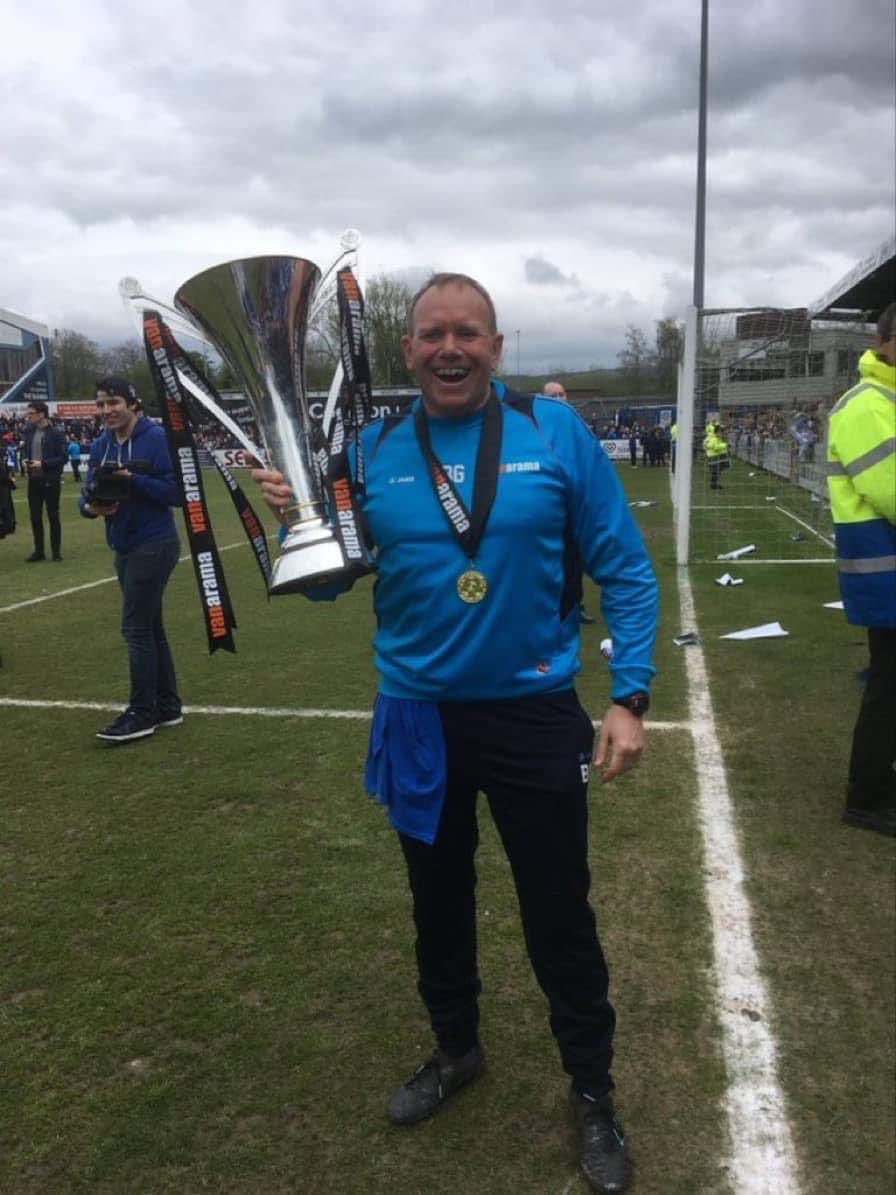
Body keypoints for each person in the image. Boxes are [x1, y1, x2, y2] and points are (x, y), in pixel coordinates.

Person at [254, 274, 658, 1192]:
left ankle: (592, 1088)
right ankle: (456, 1046)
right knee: (436, 901)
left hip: (533, 715)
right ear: (408, 351)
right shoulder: (370, 450)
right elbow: (330, 584)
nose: (450, 348)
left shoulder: (555, 433)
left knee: (558, 910)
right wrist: (300, 522)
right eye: (432, 333)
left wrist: (629, 696)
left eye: (467, 333)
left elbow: (627, 570)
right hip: (418, 715)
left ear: (496, 346)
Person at [79, 377, 184, 744]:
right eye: (101, 404)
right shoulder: (101, 445)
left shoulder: (156, 439)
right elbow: (86, 493)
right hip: (122, 544)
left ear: (132, 404)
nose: (106, 410)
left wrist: (132, 480)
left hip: (154, 543)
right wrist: (92, 506)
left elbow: (178, 492)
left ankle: (142, 712)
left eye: (114, 402)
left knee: (135, 629)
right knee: (150, 627)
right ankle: (167, 706)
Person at [827, 300, 896, 837]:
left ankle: (878, 784)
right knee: (887, 687)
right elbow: (889, 490)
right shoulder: (866, 404)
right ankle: (866, 798)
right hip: (883, 570)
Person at [542, 380, 597, 625]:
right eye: (552, 395)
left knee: (574, 560)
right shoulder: (532, 426)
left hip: (573, 505)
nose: (558, 399)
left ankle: (576, 606)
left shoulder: (577, 426)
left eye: (561, 394)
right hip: (545, 506)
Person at [22, 400, 66, 562]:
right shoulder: (29, 431)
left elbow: (63, 457)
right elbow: (27, 450)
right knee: (35, 517)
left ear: (41, 414)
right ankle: (39, 551)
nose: (28, 416)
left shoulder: (56, 433)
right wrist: (25, 460)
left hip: (50, 480)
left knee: (53, 516)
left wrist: (43, 464)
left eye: (31, 413)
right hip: (33, 480)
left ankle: (56, 552)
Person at [703, 420, 729, 490]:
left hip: (716, 456)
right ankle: (713, 485)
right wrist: (725, 445)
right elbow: (715, 447)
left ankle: (714, 484)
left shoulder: (713, 437)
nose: (722, 432)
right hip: (714, 457)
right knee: (716, 471)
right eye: (721, 431)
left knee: (718, 471)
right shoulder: (713, 438)